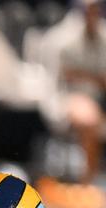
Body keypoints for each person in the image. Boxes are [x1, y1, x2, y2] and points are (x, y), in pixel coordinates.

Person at [54, 0, 106, 184]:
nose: (91, 17)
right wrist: (94, 78)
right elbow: (65, 77)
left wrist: (90, 77)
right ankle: (86, 182)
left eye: (95, 12)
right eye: (87, 12)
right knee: (89, 118)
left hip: (98, 100)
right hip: (70, 98)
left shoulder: (103, 39)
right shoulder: (65, 39)